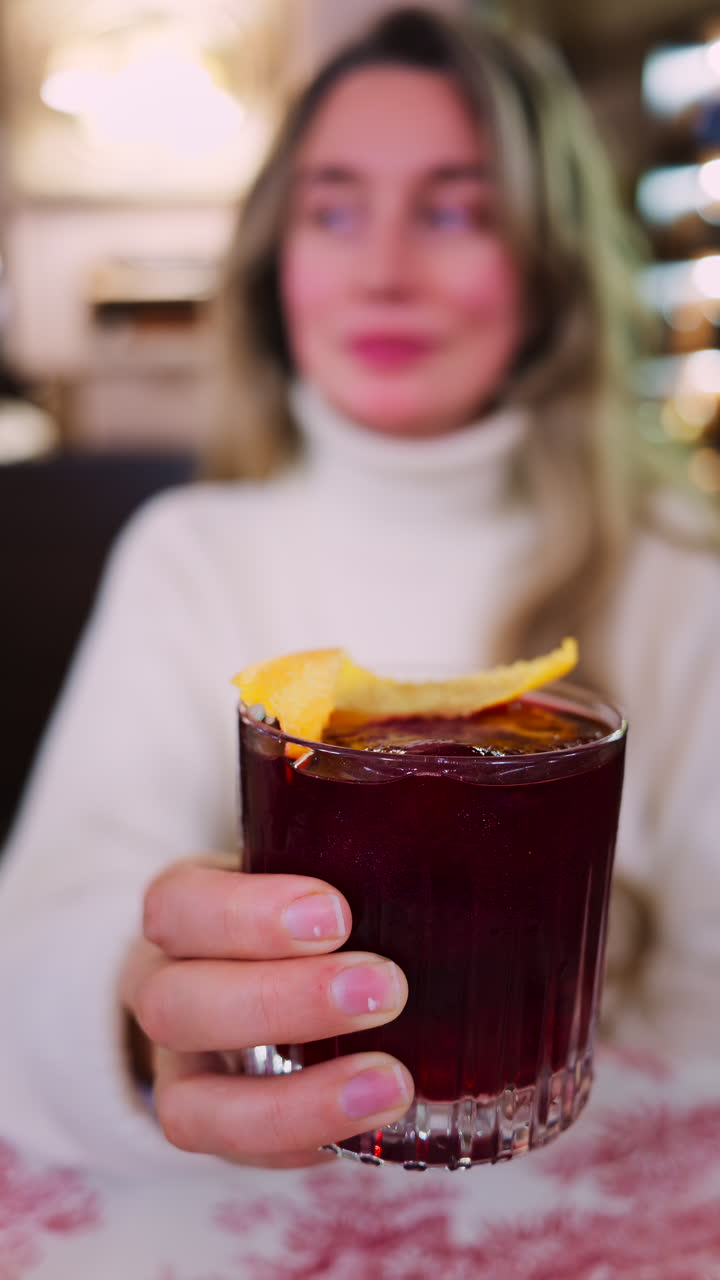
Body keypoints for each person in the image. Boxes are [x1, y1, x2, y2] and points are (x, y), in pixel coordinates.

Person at [0, 7, 718, 1177]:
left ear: (548, 269)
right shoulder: (191, 553)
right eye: (334, 208)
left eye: (454, 209)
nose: (384, 268)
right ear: (277, 264)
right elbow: (33, 936)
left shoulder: (684, 579)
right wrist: (142, 1014)